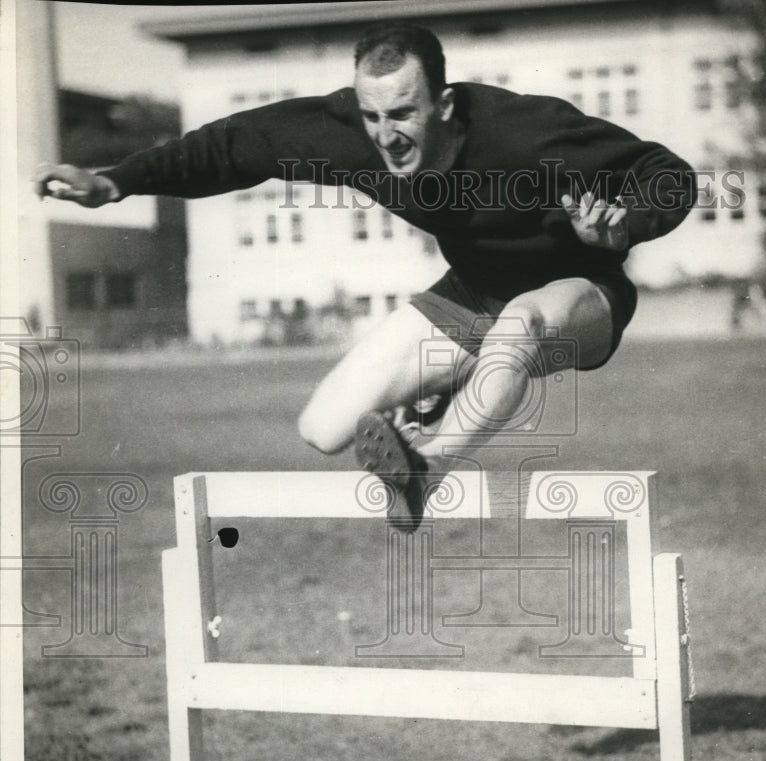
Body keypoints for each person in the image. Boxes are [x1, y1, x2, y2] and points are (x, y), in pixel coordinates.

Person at [35, 21, 695, 530]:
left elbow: (668, 176)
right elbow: (232, 146)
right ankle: (443, 389)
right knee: (324, 427)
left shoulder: (524, 132)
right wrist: (117, 180)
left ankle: (425, 471)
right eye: (372, 115)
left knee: (519, 328)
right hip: (470, 294)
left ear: (442, 104)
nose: (386, 136)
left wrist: (628, 221)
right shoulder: (349, 132)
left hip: (577, 293)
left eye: (403, 114)